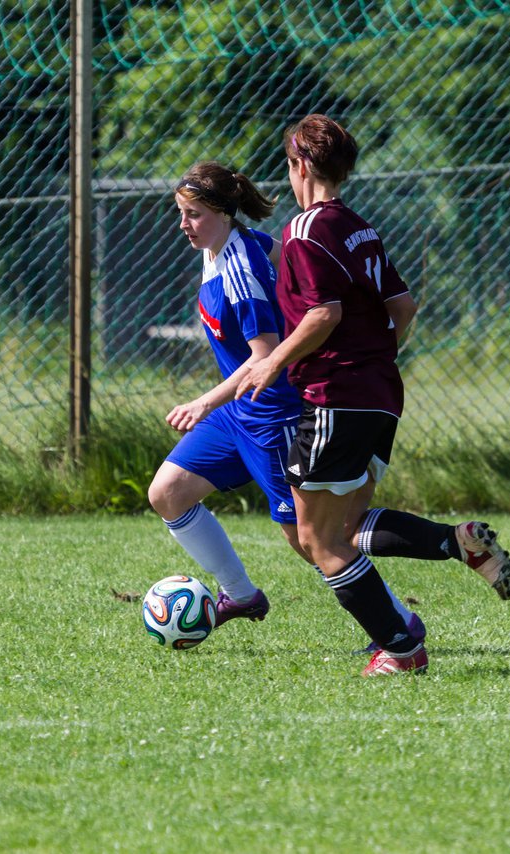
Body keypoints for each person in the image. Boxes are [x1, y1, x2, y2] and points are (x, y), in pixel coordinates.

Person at [235, 114, 510, 676]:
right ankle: (456, 543)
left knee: (318, 540)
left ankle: (401, 647)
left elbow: (323, 313)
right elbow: (404, 308)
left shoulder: (303, 232)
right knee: (347, 525)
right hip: (380, 394)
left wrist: (272, 363)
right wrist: (377, 357)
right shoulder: (359, 226)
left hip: (332, 395)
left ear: (302, 166)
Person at [148, 160, 421, 630]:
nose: (183, 225)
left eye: (193, 214)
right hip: (238, 413)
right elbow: (285, 256)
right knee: (168, 493)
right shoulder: (232, 245)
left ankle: (399, 623)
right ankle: (242, 597)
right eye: (180, 212)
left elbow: (266, 357)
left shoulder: (239, 268)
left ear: (223, 212)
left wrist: (203, 402)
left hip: (272, 416)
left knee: (311, 540)